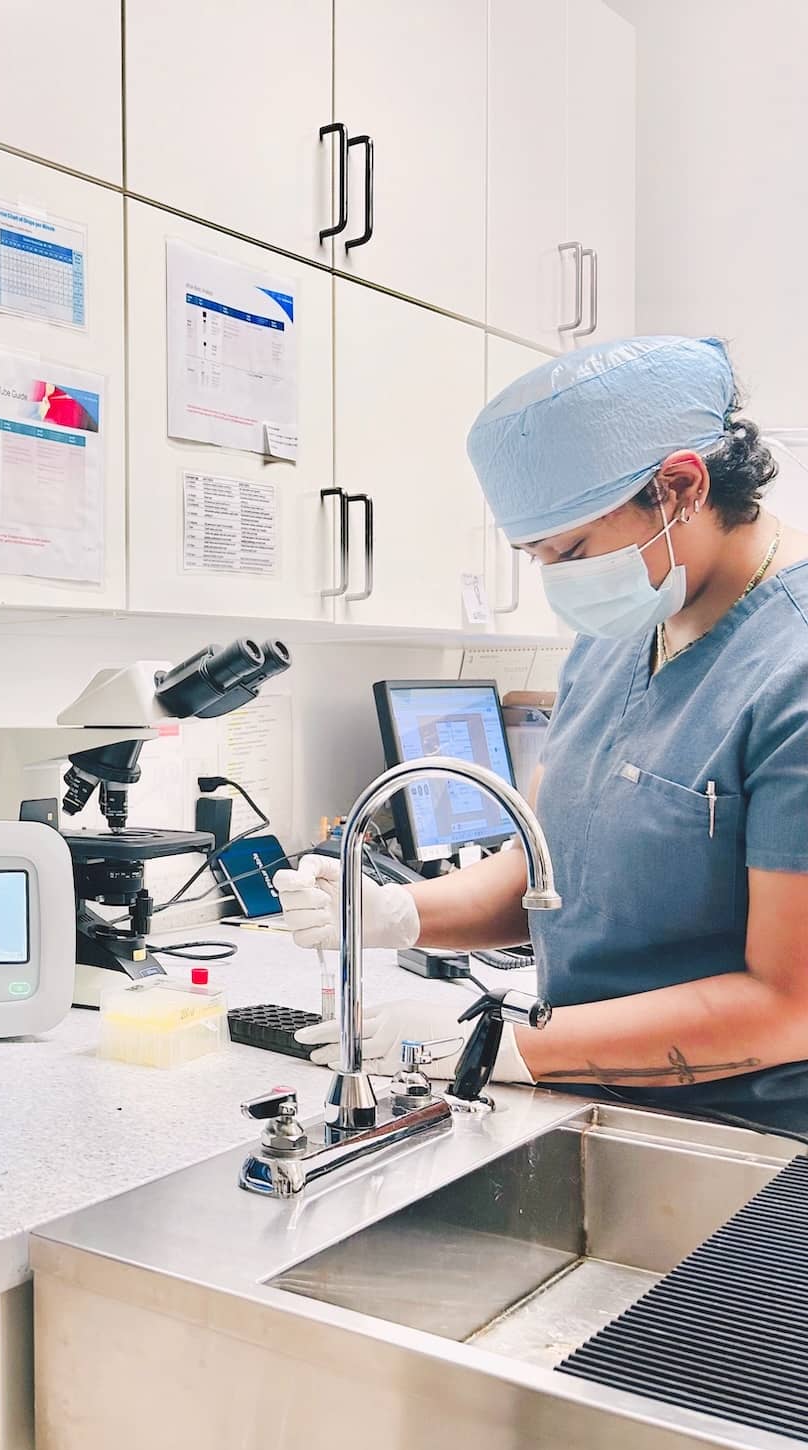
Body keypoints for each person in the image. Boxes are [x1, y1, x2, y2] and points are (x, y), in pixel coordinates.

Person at [275, 336, 808, 1134]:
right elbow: (550, 867)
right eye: (538, 556)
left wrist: (502, 1047)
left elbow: (785, 1005)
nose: (560, 581)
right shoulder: (626, 629)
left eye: (573, 550)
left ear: (682, 487)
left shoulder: (789, 672)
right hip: (585, 1097)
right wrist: (398, 912)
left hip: (740, 1140)